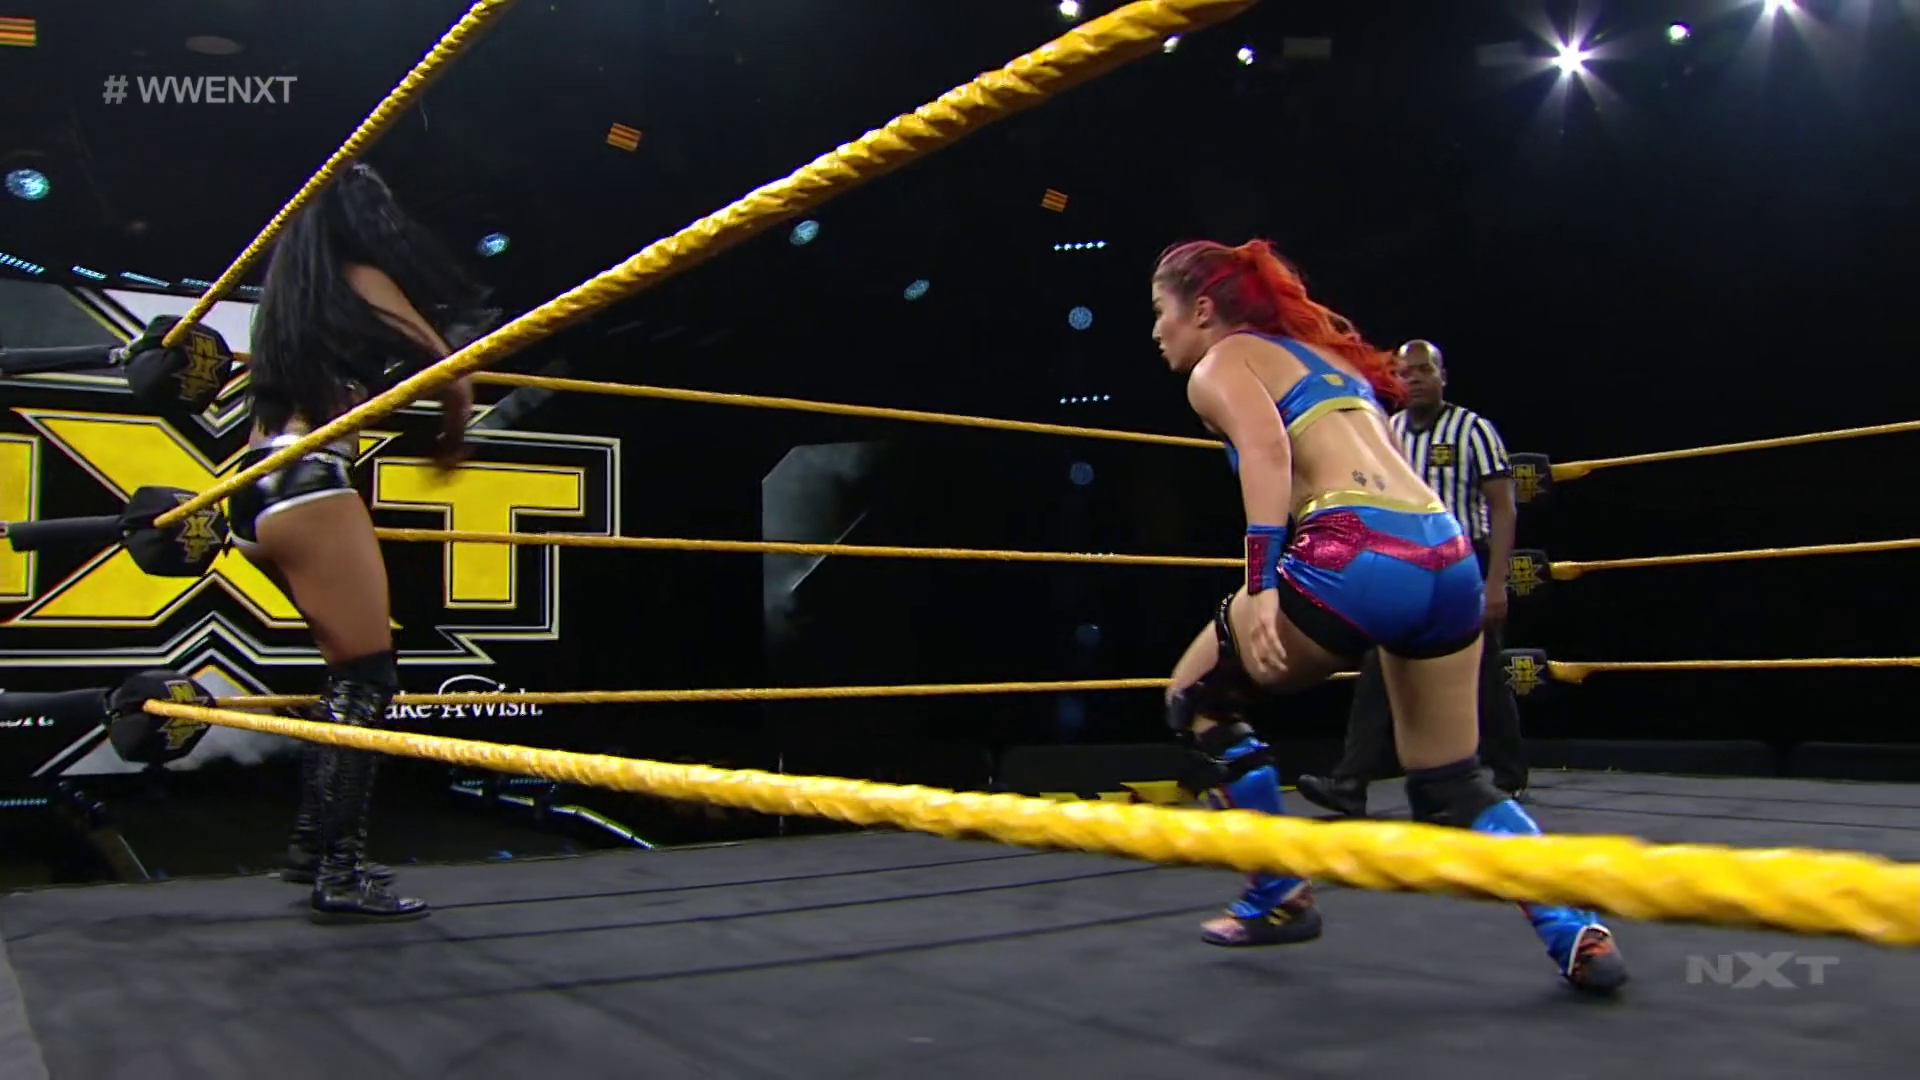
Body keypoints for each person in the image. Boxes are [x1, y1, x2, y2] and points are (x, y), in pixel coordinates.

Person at [1151, 238, 1626, 993]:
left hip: (1354, 550)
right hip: (1446, 554)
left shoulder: (1223, 363)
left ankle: (1278, 893)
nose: (1156, 331)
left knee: (1195, 698)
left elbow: (1268, 454)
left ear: (1202, 309)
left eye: (1161, 311)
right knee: (1452, 781)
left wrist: (1262, 581)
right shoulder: (1325, 363)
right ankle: (1574, 930)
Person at [234, 161, 491, 924]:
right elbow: (454, 377)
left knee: (345, 677)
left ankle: (311, 847)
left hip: (257, 487)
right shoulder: (361, 278)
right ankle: (340, 870)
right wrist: (452, 443)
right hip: (311, 482)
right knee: (368, 680)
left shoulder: (289, 297)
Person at [1296, 340, 1528, 817]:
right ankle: (1349, 782)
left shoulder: (1473, 430)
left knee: (1483, 671)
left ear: (1442, 375)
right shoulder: (1389, 431)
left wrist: (1496, 582)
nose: (1415, 379)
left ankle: (1509, 775)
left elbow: (1503, 506)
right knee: (1378, 671)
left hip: (1464, 563)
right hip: (1405, 565)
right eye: (1405, 372)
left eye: (1424, 370)